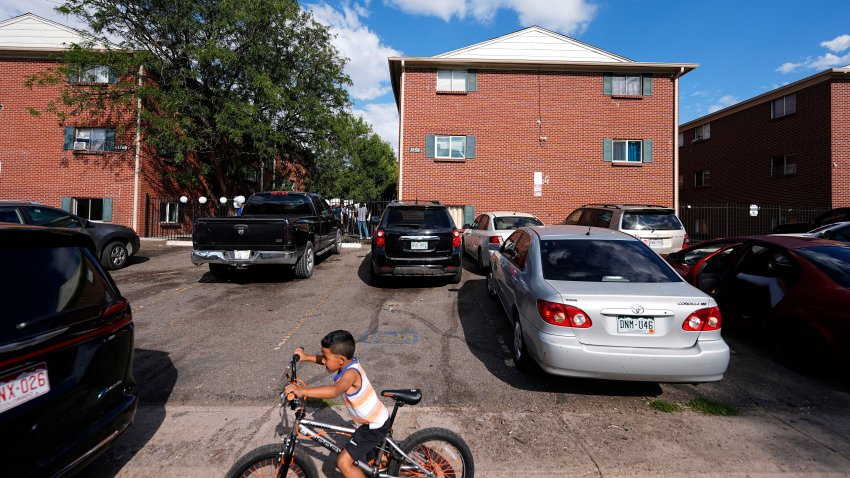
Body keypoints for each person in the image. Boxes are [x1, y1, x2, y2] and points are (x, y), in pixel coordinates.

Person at [284, 331, 389, 478]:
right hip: (373, 419)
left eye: (326, 357)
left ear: (341, 360)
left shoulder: (351, 374)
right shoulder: (347, 362)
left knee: (343, 463)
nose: (324, 361)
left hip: (374, 426)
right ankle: (387, 462)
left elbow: (334, 391)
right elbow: (324, 360)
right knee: (373, 462)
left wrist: (302, 391)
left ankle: (386, 460)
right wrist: (305, 356)